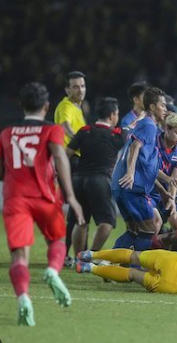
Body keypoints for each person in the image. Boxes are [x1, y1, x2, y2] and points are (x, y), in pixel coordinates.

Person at [0, 82, 85, 326]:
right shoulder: (51, 130)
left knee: (19, 256)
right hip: (45, 197)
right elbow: (60, 158)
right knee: (56, 241)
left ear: (20, 105)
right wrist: (70, 197)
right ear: (47, 106)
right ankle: (52, 271)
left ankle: (24, 298)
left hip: (15, 199)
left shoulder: (6, 133)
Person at [111, 87, 177, 251]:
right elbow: (135, 146)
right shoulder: (149, 126)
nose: (165, 109)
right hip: (132, 188)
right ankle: (136, 267)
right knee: (149, 228)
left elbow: (148, 167)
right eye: (162, 105)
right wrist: (130, 172)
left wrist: (162, 191)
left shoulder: (148, 126)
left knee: (139, 228)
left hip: (124, 186)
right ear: (152, 107)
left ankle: (106, 261)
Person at [66, 97, 126, 257]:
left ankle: (79, 258)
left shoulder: (84, 131)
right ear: (113, 115)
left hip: (78, 180)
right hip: (99, 180)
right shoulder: (117, 134)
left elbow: (67, 154)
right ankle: (91, 255)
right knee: (107, 222)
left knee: (81, 220)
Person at [54, 70, 87, 266]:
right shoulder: (65, 106)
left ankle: (68, 252)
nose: (80, 90)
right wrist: (82, 140)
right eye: (75, 86)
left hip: (75, 161)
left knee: (76, 211)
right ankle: (65, 254)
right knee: (76, 211)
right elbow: (65, 126)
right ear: (67, 89)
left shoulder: (77, 107)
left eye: (82, 86)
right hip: (70, 161)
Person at [150, 112, 177, 234]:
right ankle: (143, 252)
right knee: (154, 226)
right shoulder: (152, 143)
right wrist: (168, 179)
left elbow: (175, 178)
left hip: (167, 193)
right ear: (167, 128)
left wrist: (172, 198)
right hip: (148, 192)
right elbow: (150, 170)